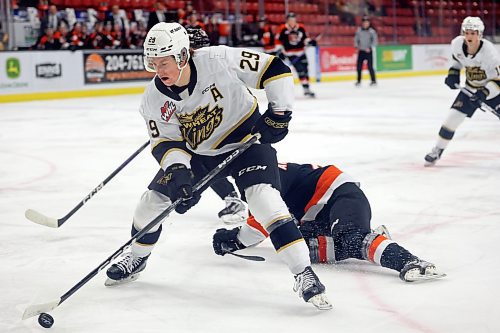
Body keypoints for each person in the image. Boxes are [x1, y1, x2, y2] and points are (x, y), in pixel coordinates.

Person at [105, 22, 331, 310]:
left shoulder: (219, 59)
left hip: (247, 142)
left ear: (183, 56)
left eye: (165, 62)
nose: (159, 71)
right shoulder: (153, 98)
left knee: (265, 200)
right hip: (201, 153)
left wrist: (279, 113)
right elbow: (166, 142)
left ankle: (303, 273)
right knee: (152, 202)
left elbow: (275, 69)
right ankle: (137, 256)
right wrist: (177, 171)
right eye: (153, 63)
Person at [213, 162, 446, 283]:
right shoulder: (258, 176)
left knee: (351, 239)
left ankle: (411, 262)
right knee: (300, 247)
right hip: (320, 214)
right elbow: (267, 224)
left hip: (339, 193)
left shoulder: (263, 180)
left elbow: (261, 224)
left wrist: (235, 239)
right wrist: (236, 238)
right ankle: (373, 239)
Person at [184, 26, 248, 224]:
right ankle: (234, 198)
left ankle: (244, 201)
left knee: (205, 158)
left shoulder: (217, 68)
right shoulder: (193, 72)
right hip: (218, 129)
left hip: (232, 129)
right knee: (199, 158)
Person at [424, 17, 500, 166]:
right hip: (470, 89)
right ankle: (437, 150)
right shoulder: (457, 44)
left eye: (473, 33)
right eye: (467, 32)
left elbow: (498, 81)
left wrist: (484, 94)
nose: (469, 36)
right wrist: (453, 74)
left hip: (493, 91)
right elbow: (458, 61)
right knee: (451, 119)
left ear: (480, 34)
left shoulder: (489, 52)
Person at [277, 13, 316, 98]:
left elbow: (305, 38)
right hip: (290, 54)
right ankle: (306, 89)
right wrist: (280, 51)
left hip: (301, 52)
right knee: (300, 70)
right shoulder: (283, 28)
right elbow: (278, 40)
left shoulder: (301, 27)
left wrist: (310, 42)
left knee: (305, 70)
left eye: (293, 19)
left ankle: (307, 88)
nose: (292, 21)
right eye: (290, 20)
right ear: (287, 20)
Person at [354, 16, 377, 87]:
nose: (365, 24)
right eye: (364, 22)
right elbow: (356, 39)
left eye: (367, 22)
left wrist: (370, 47)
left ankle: (373, 81)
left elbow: (375, 41)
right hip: (361, 51)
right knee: (359, 67)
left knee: (370, 66)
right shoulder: (359, 31)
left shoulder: (372, 32)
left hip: (368, 51)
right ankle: (358, 81)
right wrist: (356, 46)